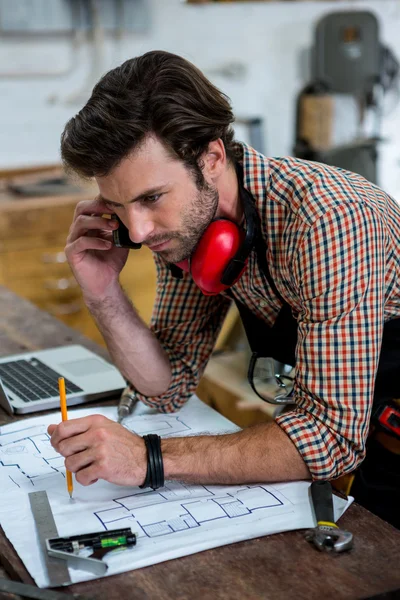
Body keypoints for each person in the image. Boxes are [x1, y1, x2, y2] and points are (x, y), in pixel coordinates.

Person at [48, 50, 400, 528]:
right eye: (118, 204)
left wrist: (150, 457)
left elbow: (330, 440)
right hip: (357, 432)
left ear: (211, 157)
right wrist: (102, 290)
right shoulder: (192, 225)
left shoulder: (328, 219)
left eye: (151, 198)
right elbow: (167, 386)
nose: (137, 230)